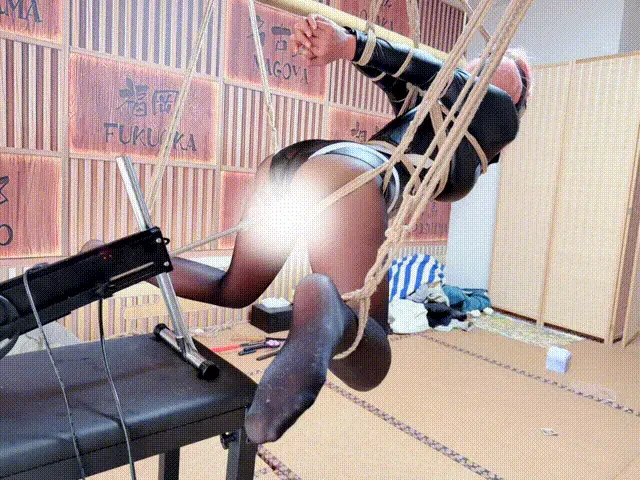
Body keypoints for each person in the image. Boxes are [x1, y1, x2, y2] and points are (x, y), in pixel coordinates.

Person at [142, 14, 532, 444]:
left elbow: (434, 73)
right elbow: (401, 71)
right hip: (347, 175)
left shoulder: (499, 116)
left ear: (514, 97)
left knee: (232, 289)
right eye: (478, 67)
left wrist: (350, 45)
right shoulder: (436, 104)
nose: (478, 73)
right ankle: (323, 302)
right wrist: (347, 47)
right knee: (370, 358)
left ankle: (130, 260)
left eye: (492, 70)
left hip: (298, 166)